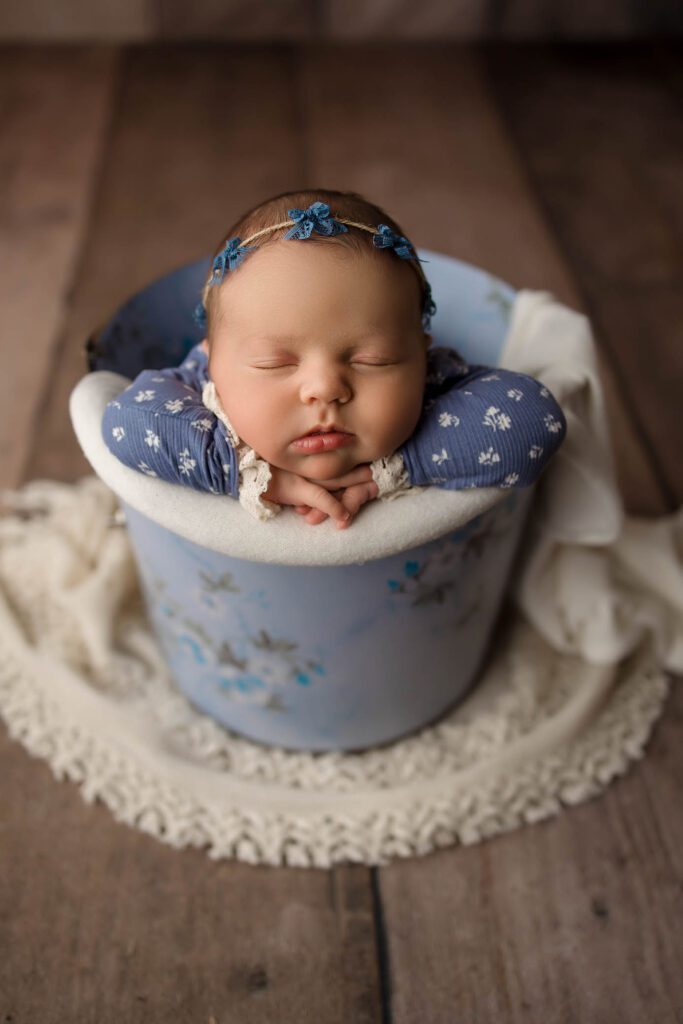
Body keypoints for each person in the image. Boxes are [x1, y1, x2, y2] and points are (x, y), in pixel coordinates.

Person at [102, 189, 567, 530]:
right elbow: (125, 421)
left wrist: (398, 467)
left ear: (420, 357)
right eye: (273, 363)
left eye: (374, 359)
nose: (324, 388)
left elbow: (533, 419)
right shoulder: (196, 389)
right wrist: (249, 474)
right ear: (211, 362)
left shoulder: (432, 383)